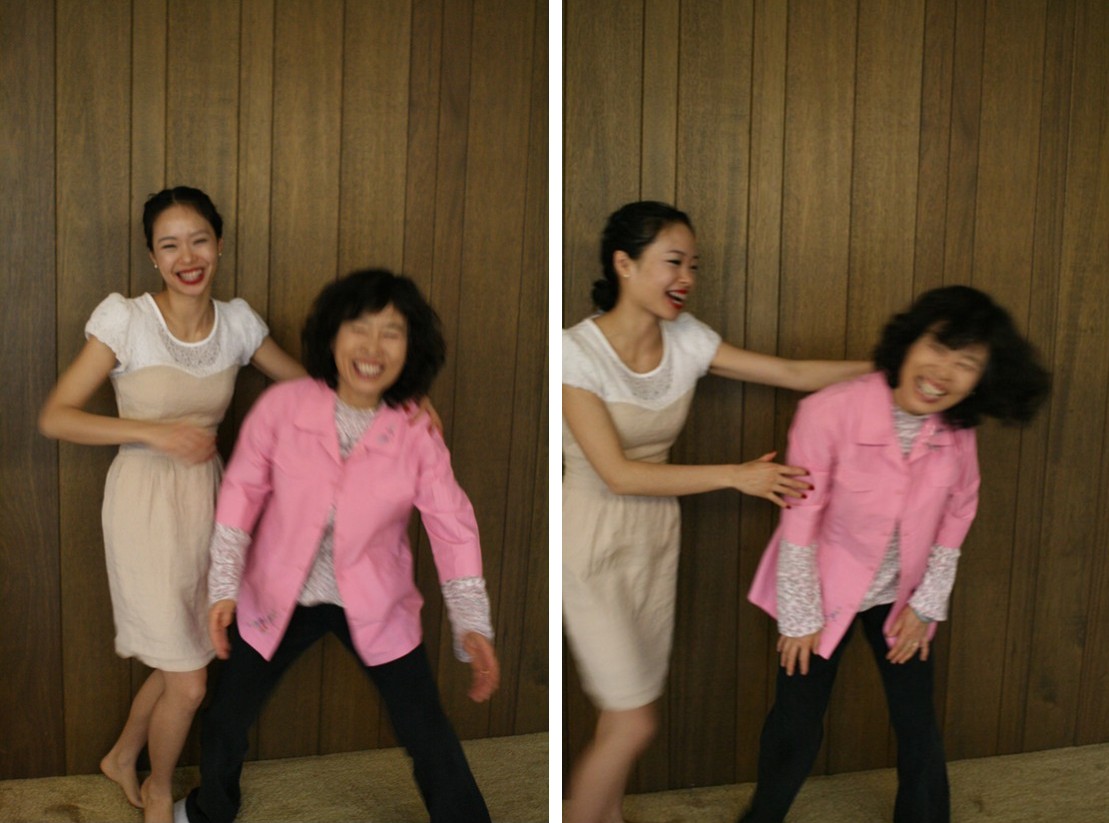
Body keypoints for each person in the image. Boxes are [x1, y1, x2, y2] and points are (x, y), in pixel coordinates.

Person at [562, 200, 871, 823]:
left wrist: (893, 371)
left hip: (655, 536)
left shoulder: (686, 338)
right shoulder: (575, 353)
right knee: (633, 720)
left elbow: (790, 371)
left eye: (694, 266)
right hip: (590, 536)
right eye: (673, 262)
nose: (687, 278)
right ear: (624, 264)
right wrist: (737, 476)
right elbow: (619, 474)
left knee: (627, 703)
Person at [176, 268, 499, 823]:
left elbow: (453, 526)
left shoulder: (417, 432)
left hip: (374, 600)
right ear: (332, 334)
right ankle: (211, 810)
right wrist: (224, 587)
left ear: (411, 348)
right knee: (226, 717)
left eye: (391, 332)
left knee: (426, 730)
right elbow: (240, 495)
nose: (372, 347)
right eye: (359, 327)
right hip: (276, 592)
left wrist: (471, 623)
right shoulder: (283, 407)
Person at [38, 186, 306, 823]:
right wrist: (155, 433)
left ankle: (121, 755)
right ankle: (161, 790)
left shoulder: (237, 323)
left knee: (184, 648)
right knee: (189, 679)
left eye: (199, 241)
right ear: (152, 256)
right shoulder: (126, 320)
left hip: (210, 503)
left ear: (219, 244)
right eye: (170, 245)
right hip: (143, 506)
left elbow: (308, 388)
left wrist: (398, 401)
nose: (188, 257)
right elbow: (56, 417)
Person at [740, 285, 1050, 823]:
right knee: (796, 721)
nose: (943, 373)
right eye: (938, 348)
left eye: (966, 363)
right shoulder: (827, 410)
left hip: (903, 594)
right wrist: (800, 616)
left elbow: (960, 510)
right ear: (908, 343)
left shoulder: (957, 429)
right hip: (821, 591)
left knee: (915, 719)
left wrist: (926, 605)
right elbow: (801, 517)